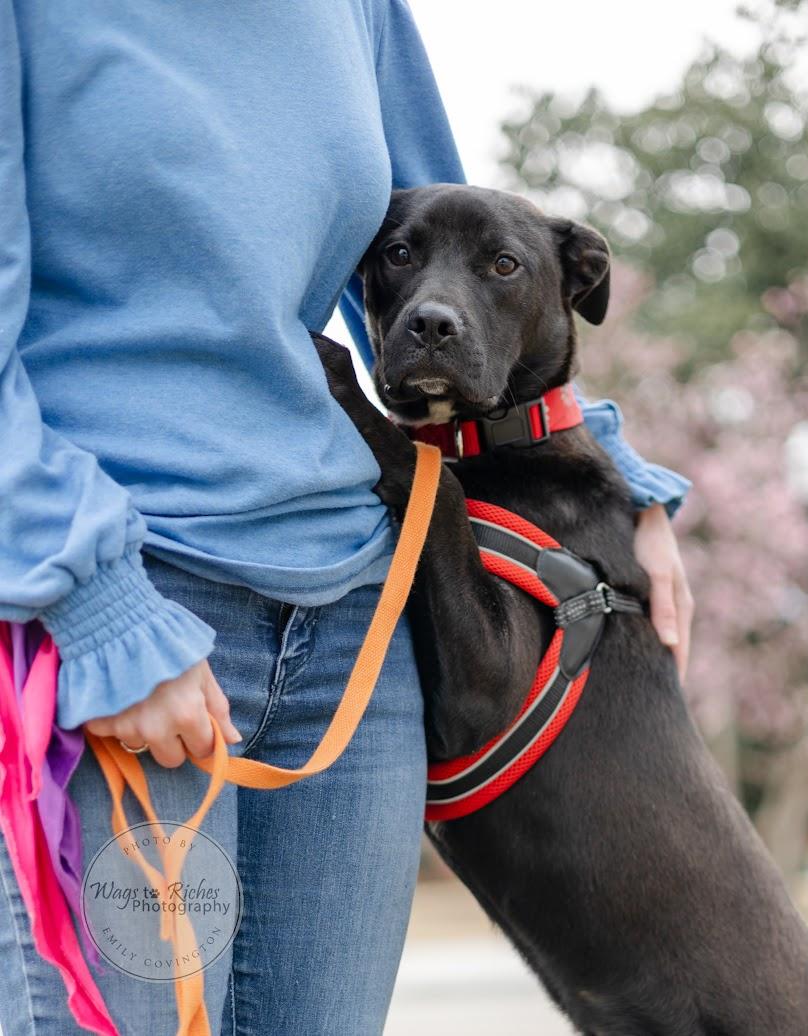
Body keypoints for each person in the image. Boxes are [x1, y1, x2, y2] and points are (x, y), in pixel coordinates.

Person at [0, 1, 693, 1032]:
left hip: (354, 636)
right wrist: (97, 605)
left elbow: (462, 257)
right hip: (133, 616)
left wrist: (607, 464)